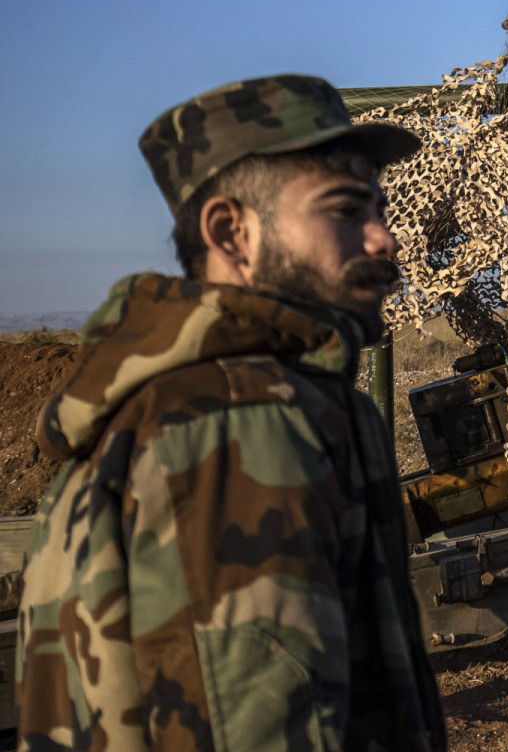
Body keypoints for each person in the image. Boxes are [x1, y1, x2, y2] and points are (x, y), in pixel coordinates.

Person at [16, 75, 446, 750]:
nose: (383, 239)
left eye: (380, 211)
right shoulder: (239, 416)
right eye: (345, 210)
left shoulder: (181, 400)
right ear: (231, 232)